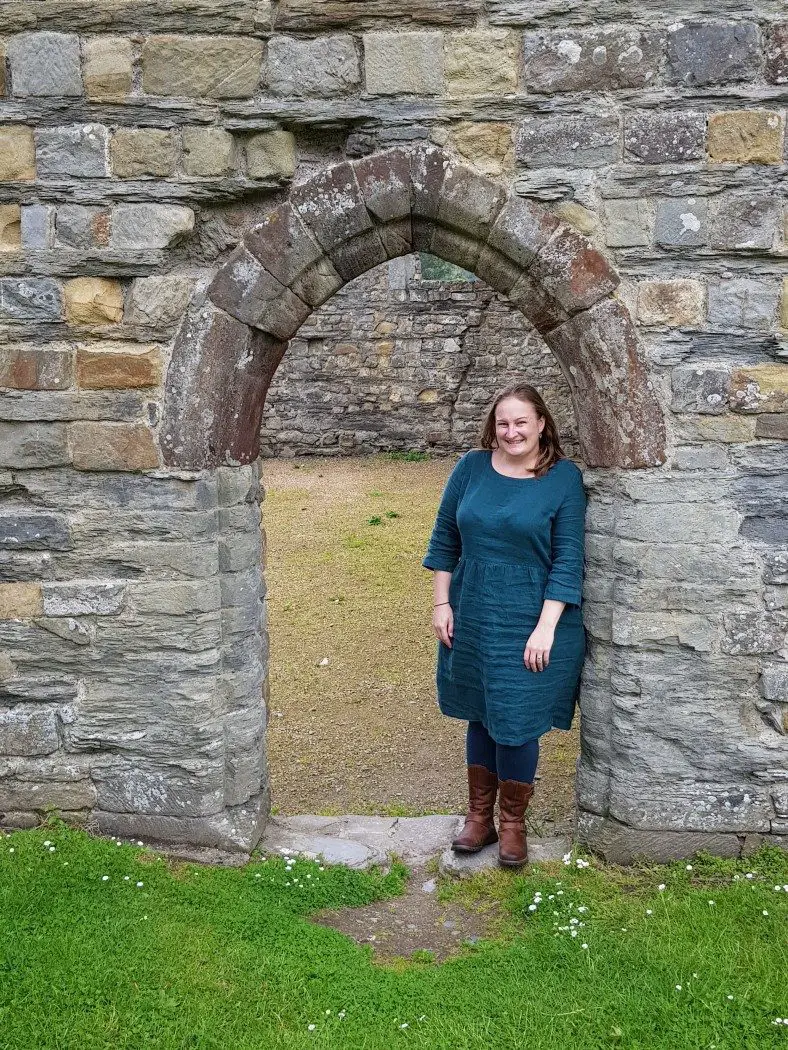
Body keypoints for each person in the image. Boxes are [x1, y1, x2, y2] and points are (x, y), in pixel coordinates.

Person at [422, 382, 587, 868]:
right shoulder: (470, 468)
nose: (511, 431)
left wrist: (546, 626)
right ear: (492, 427)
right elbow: (445, 539)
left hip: (532, 617)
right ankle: (479, 818)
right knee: (480, 710)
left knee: (515, 722)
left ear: (541, 425)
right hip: (471, 608)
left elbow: (568, 558)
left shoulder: (563, 478)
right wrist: (441, 605)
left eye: (521, 422)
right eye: (502, 423)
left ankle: (512, 824)